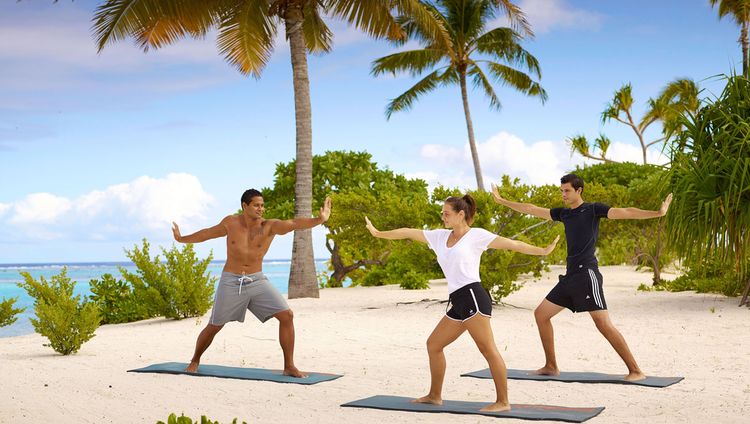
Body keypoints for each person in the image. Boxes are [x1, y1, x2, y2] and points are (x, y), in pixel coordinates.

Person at [364, 194, 559, 412]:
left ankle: (503, 401)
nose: (443, 217)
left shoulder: (476, 236)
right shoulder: (439, 237)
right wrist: (378, 233)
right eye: (442, 213)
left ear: (461, 214)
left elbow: (511, 244)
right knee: (434, 345)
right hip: (458, 300)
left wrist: (541, 251)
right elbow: (409, 232)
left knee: (488, 349)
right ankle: (434, 395)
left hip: (473, 297)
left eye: (446, 213)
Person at [491, 174, 673, 381]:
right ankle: (551, 366)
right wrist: (502, 201)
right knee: (541, 314)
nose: (563, 195)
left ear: (579, 191)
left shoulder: (593, 210)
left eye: (567, 191)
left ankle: (635, 370)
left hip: (587, 275)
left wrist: (657, 213)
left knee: (603, 324)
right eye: (561, 191)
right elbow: (531, 209)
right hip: (570, 276)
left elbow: (626, 212)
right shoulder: (564, 214)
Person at [172, 188, 332, 378]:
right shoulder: (230, 223)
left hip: (257, 280)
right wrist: (182, 239)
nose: (261, 209)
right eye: (256, 205)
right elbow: (207, 233)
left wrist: (319, 220)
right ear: (245, 206)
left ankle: (289, 366)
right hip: (231, 281)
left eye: (262, 205)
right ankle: (195, 360)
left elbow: (293, 224)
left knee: (287, 316)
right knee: (215, 325)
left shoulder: (269, 226)